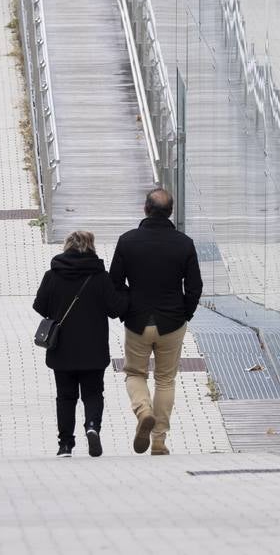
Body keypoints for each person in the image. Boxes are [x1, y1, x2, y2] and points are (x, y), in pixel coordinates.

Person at [110, 189, 202, 456]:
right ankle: (159, 440)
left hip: (138, 320)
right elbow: (194, 287)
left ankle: (143, 411)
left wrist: (125, 308)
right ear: (171, 212)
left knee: (135, 373)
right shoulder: (184, 243)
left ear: (145, 209)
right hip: (172, 321)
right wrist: (185, 313)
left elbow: (114, 282)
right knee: (165, 380)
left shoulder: (127, 241)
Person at [32, 230, 127, 458]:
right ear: (91, 247)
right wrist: (126, 293)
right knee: (93, 393)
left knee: (65, 396)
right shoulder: (100, 277)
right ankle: (92, 426)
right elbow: (115, 310)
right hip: (93, 349)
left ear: (67, 246)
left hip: (62, 348)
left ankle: (65, 444)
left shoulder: (52, 275)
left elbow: (39, 306)